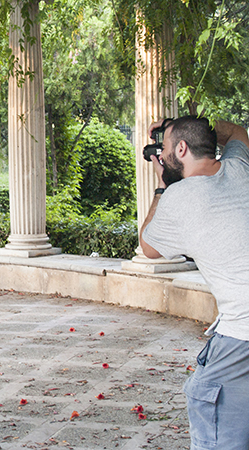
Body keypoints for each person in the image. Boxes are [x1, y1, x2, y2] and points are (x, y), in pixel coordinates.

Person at [140, 114, 249, 450]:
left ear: (182, 149)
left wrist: (162, 184)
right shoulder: (239, 167)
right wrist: (188, 128)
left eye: (168, 147)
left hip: (241, 336)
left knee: (217, 433)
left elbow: (149, 246)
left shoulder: (178, 198)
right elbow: (238, 132)